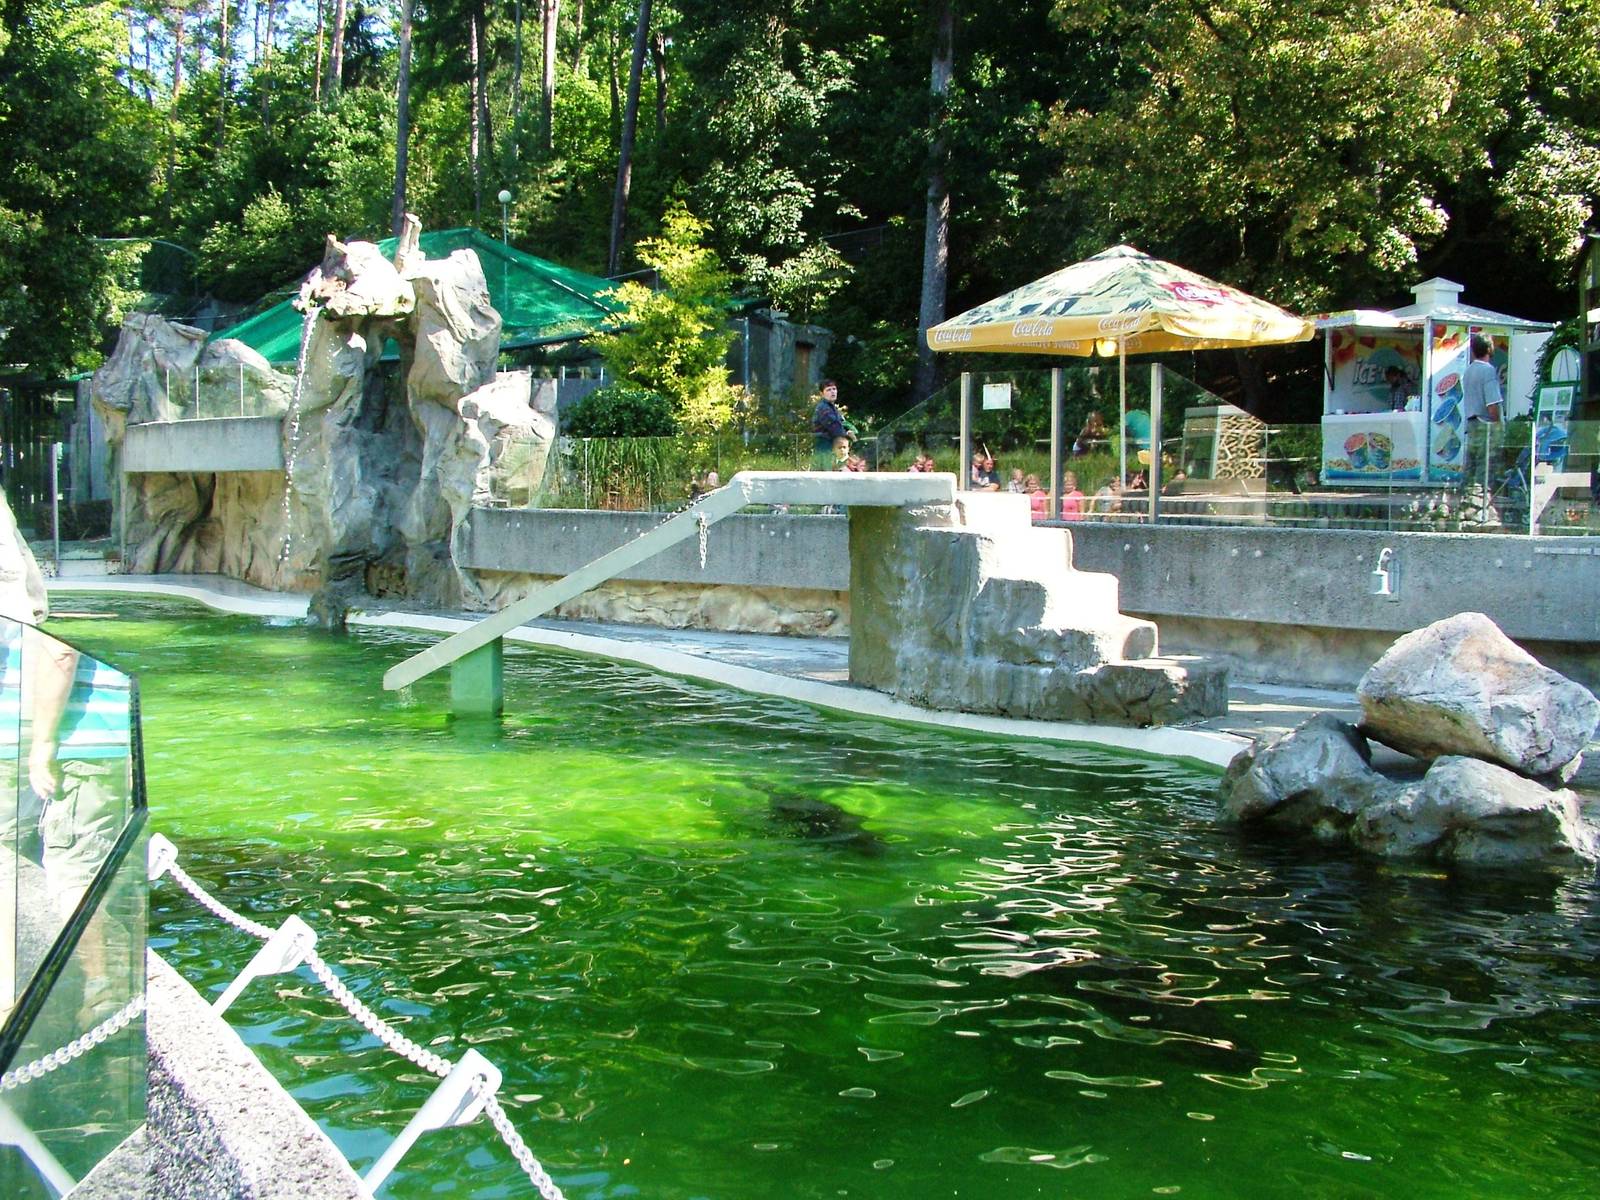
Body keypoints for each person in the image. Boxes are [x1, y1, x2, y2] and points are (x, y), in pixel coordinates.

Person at [1461, 333, 1503, 518]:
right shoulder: (1488, 370)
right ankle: (1483, 510)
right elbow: (1492, 404)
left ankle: (1467, 506)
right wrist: (1498, 425)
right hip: (1485, 424)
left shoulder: (1468, 371)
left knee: (1472, 466)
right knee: (1486, 468)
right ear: (1488, 349)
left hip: (1471, 423)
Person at [811, 380, 850, 471]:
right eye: (828, 390)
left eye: (834, 389)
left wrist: (848, 430)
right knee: (825, 476)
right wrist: (848, 435)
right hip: (824, 445)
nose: (832, 391)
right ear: (822, 393)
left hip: (831, 445)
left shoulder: (831, 407)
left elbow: (842, 423)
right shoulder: (823, 408)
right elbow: (835, 428)